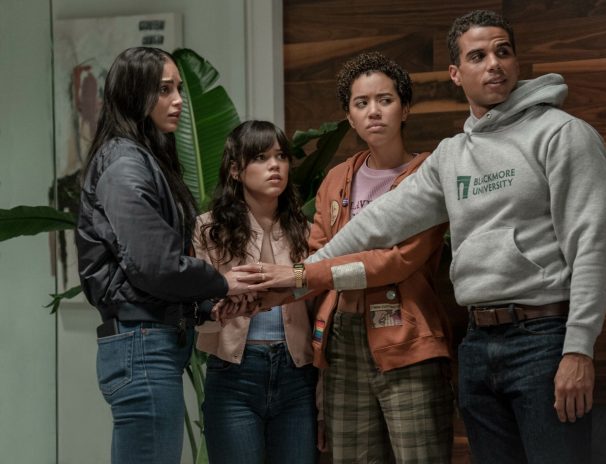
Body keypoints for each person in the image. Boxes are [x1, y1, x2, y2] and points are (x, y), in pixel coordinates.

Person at [282, 11, 606, 464]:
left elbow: (593, 247)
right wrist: (299, 275)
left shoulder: (563, 134)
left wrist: (578, 349)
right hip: (477, 343)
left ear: (516, 62)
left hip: (543, 338)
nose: (493, 64)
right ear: (456, 74)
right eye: (477, 56)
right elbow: (379, 222)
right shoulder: (452, 154)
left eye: (503, 52)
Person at [236, 52, 454, 463]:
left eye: (385, 100)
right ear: (350, 117)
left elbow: (394, 262)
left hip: (406, 338)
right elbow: (316, 256)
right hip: (340, 339)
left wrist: (303, 275)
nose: (374, 111)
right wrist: (272, 292)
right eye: (361, 103)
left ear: (405, 108)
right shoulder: (337, 179)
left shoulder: (429, 175)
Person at [75, 47, 248, 464]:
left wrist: (205, 305)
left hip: (148, 342)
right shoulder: (125, 164)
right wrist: (222, 282)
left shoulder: (140, 157)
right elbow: (156, 265)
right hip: (142, 344)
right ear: (135, 94)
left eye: (178, 89)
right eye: (165, 90)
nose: (178, 101)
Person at [193, 120, 318, 464]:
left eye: (281, 156)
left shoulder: (306, 229)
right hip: (233, 374)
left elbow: (320, 290)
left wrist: (295, 277)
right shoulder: (208, 229)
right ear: (236, 170)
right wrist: (218, 307)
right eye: (261, 157)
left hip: (297, 374)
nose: (275, 166)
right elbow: (196, 312)